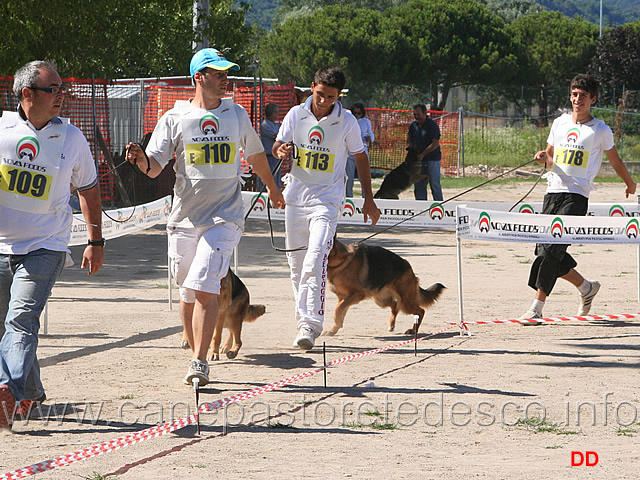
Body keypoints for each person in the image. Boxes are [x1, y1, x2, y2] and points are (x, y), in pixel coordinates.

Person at [126, 48, 284, 386]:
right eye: (218, 73)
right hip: (184, 218)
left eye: (227, 73)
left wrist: (272, 188)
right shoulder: (175, 117)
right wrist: (140, 159)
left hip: (225, 217)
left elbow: (256, 155)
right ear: (199, 77)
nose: (225, 79)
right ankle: (194, 344)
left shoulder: (237, 114)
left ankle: (199, 362)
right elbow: (154, 168)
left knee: (205, 285)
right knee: (186, 287)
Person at [0, 60, 104, 429]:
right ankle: (29, 393)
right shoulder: (2, 129)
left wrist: (96, 240)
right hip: (2, 247)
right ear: (27, 94)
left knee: (22, 320)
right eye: (53, 89)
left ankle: (7, 393)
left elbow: (90, 190)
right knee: (6, 326)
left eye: (63, 89)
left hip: (46, 246)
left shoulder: (72, 137)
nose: (62, 95)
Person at [272, 66, 380, 351]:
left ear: (338, 96)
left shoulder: (346, 121)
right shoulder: (296, 114)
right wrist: (281, 150)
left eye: (330, 97)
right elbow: (278, 145)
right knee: (296, 266)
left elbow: (361, 157)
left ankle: (311, 324)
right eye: (320, 94)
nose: (323, 101)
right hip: (296, 196)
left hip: (327, 199)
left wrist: (368, 198)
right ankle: (302, 322)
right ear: (312, 87)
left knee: (316, 257)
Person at [518, 74, 636, 324]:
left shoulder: (600, 129)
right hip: (553, 192)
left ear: (593, 99)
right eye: (574, 94)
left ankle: (537, 308)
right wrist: (543, 157)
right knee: (544, 250)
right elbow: (550, 158)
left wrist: (629, 183)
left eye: (583, 95)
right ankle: (586, 287)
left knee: (551, 251)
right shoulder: (559, 123)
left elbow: (614, 160)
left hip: (577, 195)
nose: (577, 99)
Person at [408, 104, 443, 201]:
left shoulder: (432, 125)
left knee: (435, 185)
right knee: (419, 186)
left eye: (418, 114)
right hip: (418, 162)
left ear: (425, 113)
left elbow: (435, 143)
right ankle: (421, 209)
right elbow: (409, 139)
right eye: (414, 114)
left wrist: (423, 154)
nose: (416, 116)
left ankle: (440, 207)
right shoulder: (413, 126)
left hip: (432, 160)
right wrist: (411, 151)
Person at [345, 102, 375, 197]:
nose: (357, 115)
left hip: (362, 152)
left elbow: (371, 134)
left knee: (364, 177)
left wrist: (370, 138)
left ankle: (366, 197)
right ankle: (349, 197)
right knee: (349, 177)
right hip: (350, 153)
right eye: (355, 113)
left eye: (359, 113)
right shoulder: (349, 121)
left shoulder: (366, 122)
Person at [259, 102, 281, 189]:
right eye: (276, 112)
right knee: (269, 182)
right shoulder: (265, 125)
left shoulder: (275, 125)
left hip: (276, 158)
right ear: (272, 113)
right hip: (269, 158)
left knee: (277, 182)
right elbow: (277, 137)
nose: (278, 114)